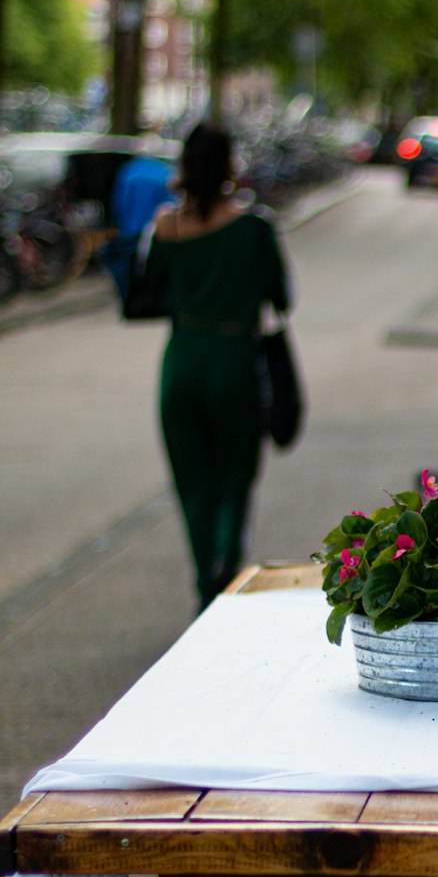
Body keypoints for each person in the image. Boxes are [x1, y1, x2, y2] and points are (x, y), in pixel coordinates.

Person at [142, 122, 291, 611]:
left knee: (192, 481)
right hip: (233, 361)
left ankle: (204, 584)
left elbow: (148, 291)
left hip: (181, 360)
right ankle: (227, 568)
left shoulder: (166, 226)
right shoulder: (254, 228)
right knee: (234, 475)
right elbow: (280, 297)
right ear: (230, 167)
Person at [102, 152, 177, 307]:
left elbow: (118, 204)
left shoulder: (128, 172)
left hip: (130, 232)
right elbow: (172, 203)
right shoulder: (164, 172)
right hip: (156, 231)